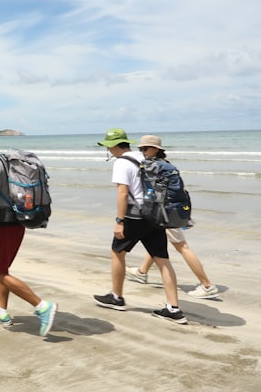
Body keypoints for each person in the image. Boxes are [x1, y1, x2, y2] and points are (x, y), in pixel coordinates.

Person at [0, 123, 58, 337]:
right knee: (1, 270)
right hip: (15, 223)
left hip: (3, 224)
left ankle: (42, 306)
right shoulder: (4, 158)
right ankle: (1, 311)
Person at [93, 128, 188, 324]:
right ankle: (174, 308)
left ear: (113, 146)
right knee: (162, 259)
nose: (109, 151)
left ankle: (116, 297)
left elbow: (122, 193)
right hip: (155, 215)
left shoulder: (122, 162)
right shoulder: (144, 157)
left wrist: (119, 221)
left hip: (134, 217)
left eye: (108, 147)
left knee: (117, 253)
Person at [129, 135, 218, 298]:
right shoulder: (165, 165)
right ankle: (141, 272)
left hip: (165, 212)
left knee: (182, 246)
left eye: (144, 149)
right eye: (140, 149)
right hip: (169, 210)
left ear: (155, 149)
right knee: (155, 239)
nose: (142, 152)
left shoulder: (155, 166)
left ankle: (207, 285)